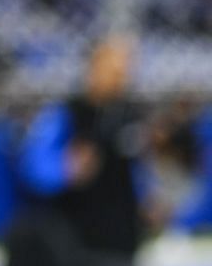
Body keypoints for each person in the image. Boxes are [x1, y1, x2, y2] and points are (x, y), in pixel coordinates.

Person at [9, 35, 144, 266]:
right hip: (76, 240)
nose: (120, 76)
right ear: (93, 67)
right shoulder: (68, 113)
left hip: (122, 238)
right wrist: (65, 170)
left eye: (125, 69)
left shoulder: (129, 114)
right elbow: (33, 167)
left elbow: (134, 170)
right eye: (113, 68)